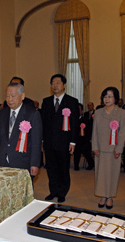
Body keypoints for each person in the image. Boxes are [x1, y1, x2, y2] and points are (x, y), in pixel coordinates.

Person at [41, 74, 79, 203]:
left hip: (64, 142)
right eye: (52, 83)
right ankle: (53, 191)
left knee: (63, 168)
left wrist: (73, 141)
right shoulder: (46, 101)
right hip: (49, 142)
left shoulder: (72, 101)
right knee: (51, 168)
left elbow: (74, 124)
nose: (55, 85)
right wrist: (42, 140)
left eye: (58, 82)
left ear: (64, 85)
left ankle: (62, 192)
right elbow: (43, 122)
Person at [0, 82, 42, 182]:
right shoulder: (2, 113)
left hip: (22, 161)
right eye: (7, 96)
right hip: (3, 159)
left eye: (13, 96)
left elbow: (36, 142)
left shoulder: (32, 114)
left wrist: (35, 163)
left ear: (22, 96)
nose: (9, 99)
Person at [92, 87, 125, 209]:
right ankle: (102, 195)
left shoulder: (122, 113)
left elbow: (122, 132)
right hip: (101, 149)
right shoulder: (98, 112)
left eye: (110, 96)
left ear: (115, 98)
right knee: (100, 173)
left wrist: (119, 149)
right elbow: (94, 131)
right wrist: (95, 146)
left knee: (113, 173)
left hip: (114, 150)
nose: (107, 99)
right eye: (105, 96)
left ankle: (110, 196)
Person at [74, 103, 94, 171]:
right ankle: (76, 165)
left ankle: (91, 163)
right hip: (75, 141)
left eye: (79, 110)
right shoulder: (72, 120)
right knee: (76, 147)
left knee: (84, 148)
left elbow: (89, 132)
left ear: (82, 111)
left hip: (84, 141)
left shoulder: (86, 120)